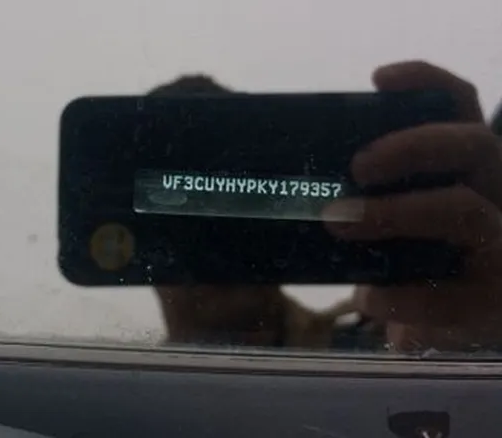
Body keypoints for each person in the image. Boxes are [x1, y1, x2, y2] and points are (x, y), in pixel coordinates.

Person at [151, 61, 502, 353]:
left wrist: (474, 348)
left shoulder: (391, 343)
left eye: (240, 196)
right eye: (184, 213)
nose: (216, 229)